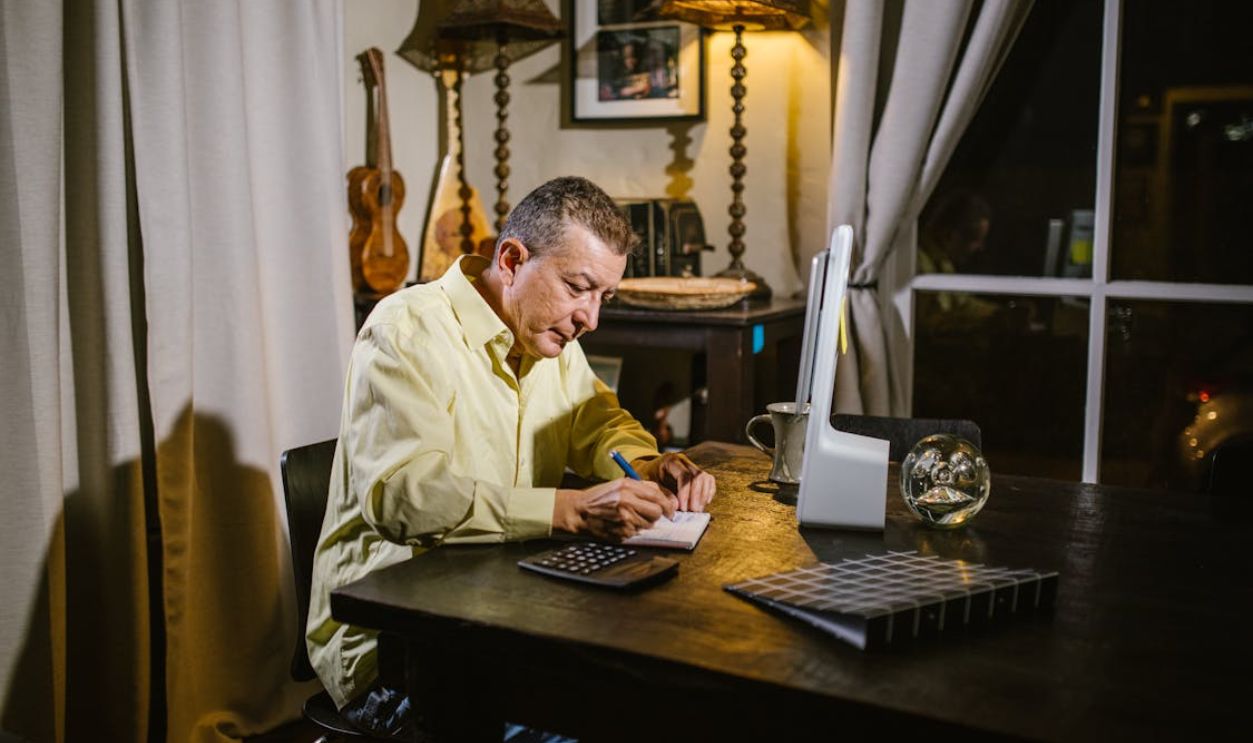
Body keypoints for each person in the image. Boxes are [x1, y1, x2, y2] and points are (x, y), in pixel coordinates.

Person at [306, 176, 717, 738]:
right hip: (392, 649)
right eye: (578, 287)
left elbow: (598, 423)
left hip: (499, 614)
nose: (590, 319)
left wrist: (647, 462)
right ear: (511, 258)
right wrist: (566, 509)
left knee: (657, 699)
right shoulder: (406, 330)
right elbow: (403, 497)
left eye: (604, 297)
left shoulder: (547, 337)